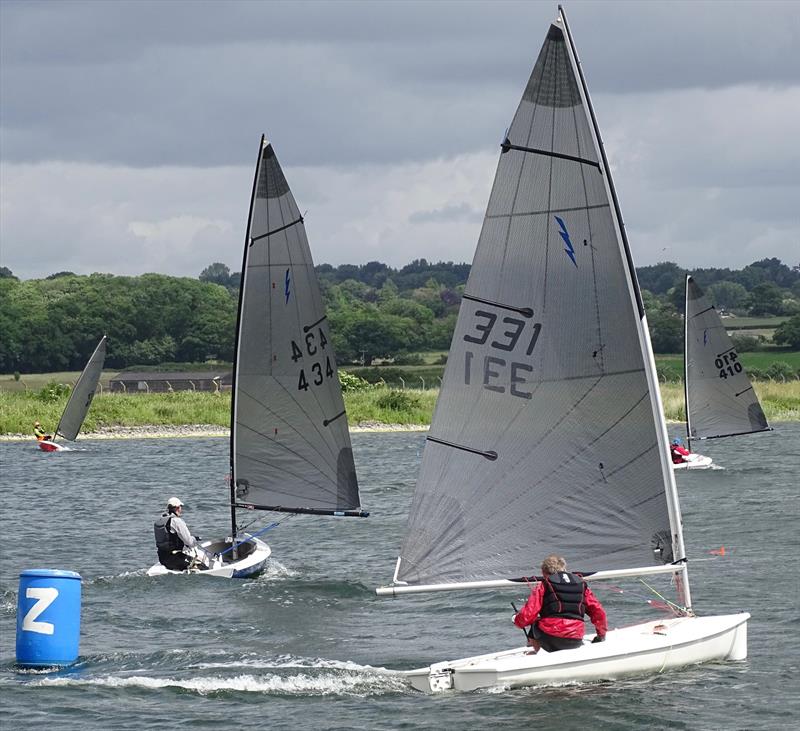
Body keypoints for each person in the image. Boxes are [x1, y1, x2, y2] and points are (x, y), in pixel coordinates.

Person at [513, 554, 607, 652]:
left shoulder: (544, 585)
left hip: (551, 638)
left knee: (535, 623)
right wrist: (601, 635)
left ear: (544, 572)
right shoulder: (581, 584)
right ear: (564, 568)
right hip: (576, 638)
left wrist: (516, 620)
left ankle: (537, 655)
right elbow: (598, 611)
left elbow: (528, 615)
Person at [153, 497, 200, 571]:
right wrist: (194, 539)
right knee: (202, 566)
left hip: (162, 558)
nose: (181, 509)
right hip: (174, 559)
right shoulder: (176, 521)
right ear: (178, 508)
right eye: (180, 507)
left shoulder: (161, 520)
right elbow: (189, 542)